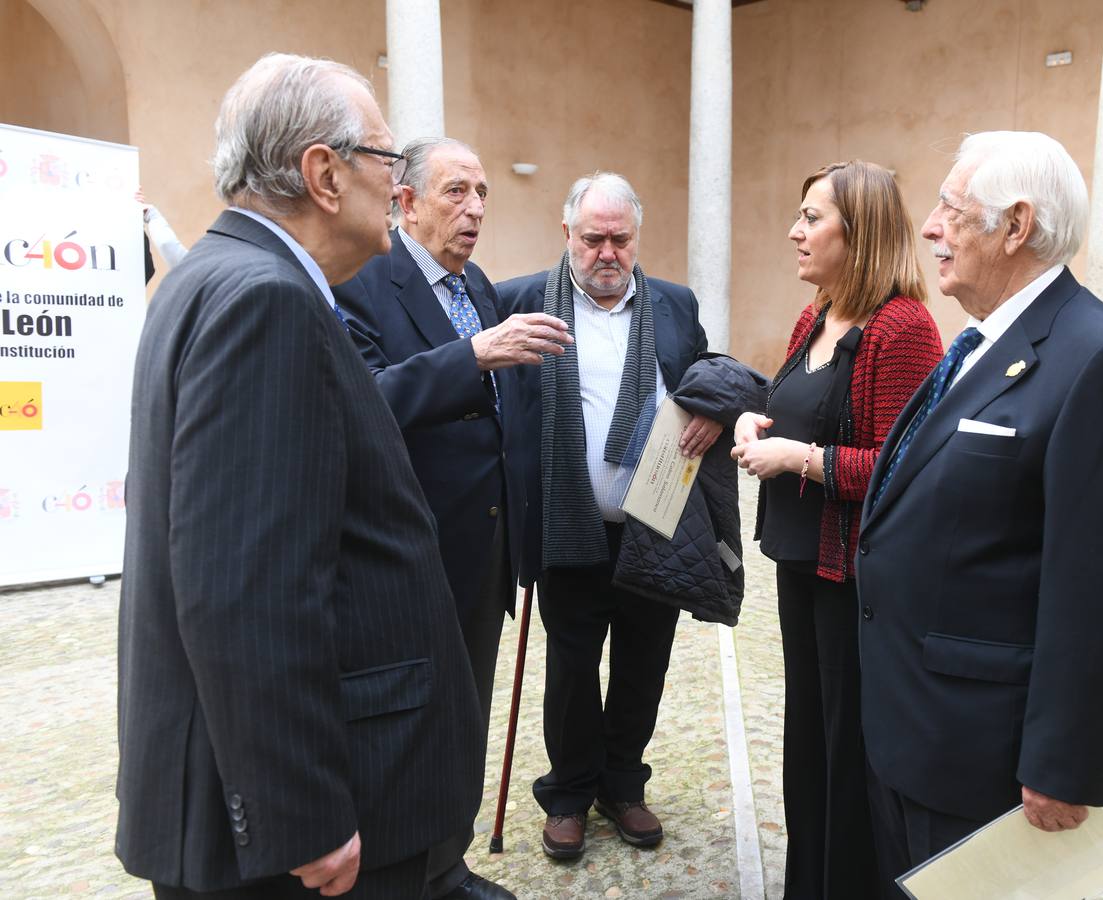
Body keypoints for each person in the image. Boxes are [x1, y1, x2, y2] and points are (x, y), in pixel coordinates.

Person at [116, 53, 484, 899]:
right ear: (324, 173)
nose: (399, 189)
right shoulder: (266, 301)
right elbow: (246, 587)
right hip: (302, 836)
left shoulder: (213, 275)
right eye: (387, 163)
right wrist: (303, 812)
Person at [855, 131, 1103, 890]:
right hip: (912, 728)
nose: (929, 226)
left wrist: (1064, 765)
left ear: (1016, 226)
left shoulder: (1097, 358)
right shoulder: (979, 344)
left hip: (984, 759)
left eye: (951, 209)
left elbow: (1099, 587)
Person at [333, 137, 571, 900]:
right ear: (404, 202)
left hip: (484, 553)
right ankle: (407, 872)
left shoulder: (484, 290)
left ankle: (449, 865)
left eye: (482, 194)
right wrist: (473, 354)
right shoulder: (366, 284)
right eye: (455, 193)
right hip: (408, 557)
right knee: (412, 732)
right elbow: (368, 400)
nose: (474, 210)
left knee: (466, 718)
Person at [496, 172, 727, 861]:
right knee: (571, 665)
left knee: (643, 661)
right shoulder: (520, 301)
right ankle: (567, 793)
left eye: (619, 239)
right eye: (592, 238)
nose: (606, 252)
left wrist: (715, 413)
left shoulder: (676, 306)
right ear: (566, 235)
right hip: (567, 523)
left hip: (655, 526)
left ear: (635, 239)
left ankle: (623, 784)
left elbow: (704, 378)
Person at [730, 160, 942, 899]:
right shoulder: (815, 314)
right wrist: (758, 421)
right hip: (801, 567)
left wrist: (803, 459)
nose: (795, 230)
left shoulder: (903, 326)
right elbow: (799, 404)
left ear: (863, 234)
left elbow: (906, 464)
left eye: (813, 218)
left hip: (857, 585)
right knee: (809, 747)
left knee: (849, 755)